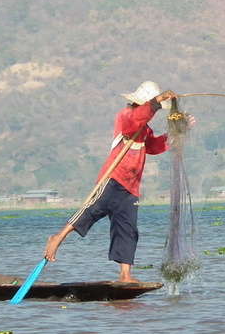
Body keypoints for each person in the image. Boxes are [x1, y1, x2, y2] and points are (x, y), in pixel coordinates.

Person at [44, 81, 177, 282]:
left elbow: (154, 146)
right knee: (91, 210)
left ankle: (125, 274)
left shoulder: (145, 129)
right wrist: (157, 101)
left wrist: (175, 134)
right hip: (114, 177)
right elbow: (137, 119)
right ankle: (58, 237)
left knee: (128, 229)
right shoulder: (126, 116)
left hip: (131, 188)